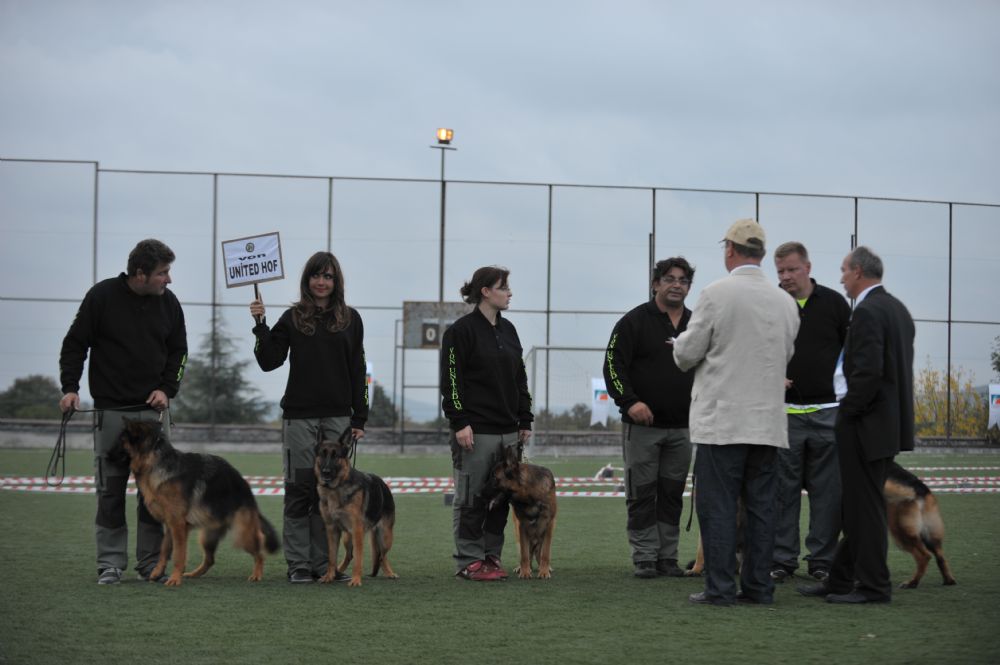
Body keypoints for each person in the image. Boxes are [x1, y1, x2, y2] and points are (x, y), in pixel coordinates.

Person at [673, 219, 799, 606]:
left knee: (719, 508)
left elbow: (687, 354)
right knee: (763, 509)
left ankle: (721, 588)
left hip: (722, 423)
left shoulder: (716, 294)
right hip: (767, 425)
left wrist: (677, 343)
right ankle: (759, 587)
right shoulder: (786, 302)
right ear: (761, 253)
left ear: (730, 249)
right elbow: (787, 354)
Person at [59, 238, 188, 585]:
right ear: (141, 274)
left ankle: (150, 564)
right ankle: (110, 564)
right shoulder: (101, 297)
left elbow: (179, 353)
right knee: (110, 492)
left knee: (155, 495)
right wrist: (70, 387)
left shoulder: (170, 303)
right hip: (111, 415)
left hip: (152, 416)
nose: (169, 280)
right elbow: (75, 345)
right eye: (163, 273)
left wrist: (167, 388)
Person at [799, 246, 915, 604]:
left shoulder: (866, 312)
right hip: (887, 427)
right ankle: (840, 579)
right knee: (861, 506)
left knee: (863, 509)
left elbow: (867, 373)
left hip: (863, 426)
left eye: (845, 271)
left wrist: (847, 414)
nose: (841, 278)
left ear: (860, 271)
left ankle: (874, 587)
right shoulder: (898, 310)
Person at [250, 251, 368, 584]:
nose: (321, 282)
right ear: (307, 280)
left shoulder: (351, 319)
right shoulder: (292, 318)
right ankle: (299, 564)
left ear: (336, 281)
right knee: (301, 489)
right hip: (300, 418)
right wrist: (261, 327)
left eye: (328, 276)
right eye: (316, 276)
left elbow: (358, 369)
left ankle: (325, 565)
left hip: (338, 419)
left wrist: (359, 417)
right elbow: (269, 361)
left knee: (330, 493)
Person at [604, 257, 696, 579]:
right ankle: (644, 557)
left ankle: (667, 558)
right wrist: (630, 403)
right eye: (669, 279)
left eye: (683, 280)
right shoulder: (633, 322)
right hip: (642, 428)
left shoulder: (696, 324)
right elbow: (613, 367)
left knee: (671, 495)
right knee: (642, 494)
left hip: (683, 429)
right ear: (656, 283)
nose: (676, 285)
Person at [440, 266, 533, 581]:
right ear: (485, 291)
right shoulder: (460, 332)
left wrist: (525, 419)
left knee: (501, 497)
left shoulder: (510, 331)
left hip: (508, 432)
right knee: (471, 497)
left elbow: (519, 378)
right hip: (475, 431)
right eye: (503, 286)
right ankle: (468, 560)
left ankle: (491, 557)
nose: (509, 292)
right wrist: (460, 421)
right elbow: (450, 381)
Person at [770, 242, 851, 584]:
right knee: (782, 492)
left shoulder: (835, 304)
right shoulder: (771, 303)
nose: (786, 277)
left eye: (791, 269)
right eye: (780, 272)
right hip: (784, 414)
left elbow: (851, 352)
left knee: (827, 492)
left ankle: (821, 560)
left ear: (808, 267)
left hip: (828, 413)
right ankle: (782, 561)